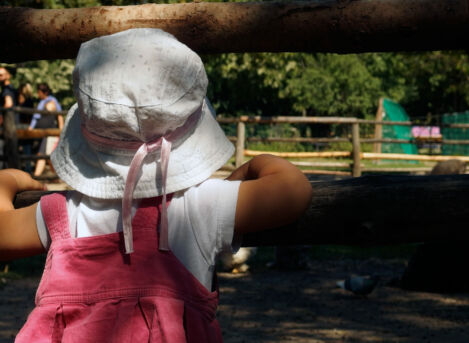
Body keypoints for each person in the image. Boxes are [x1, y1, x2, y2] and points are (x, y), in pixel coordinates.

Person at [0, 28, 312, 342]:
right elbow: (294, 191)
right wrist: (252, 166)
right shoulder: (200, 206)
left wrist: (9, 179)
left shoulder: (62, 212)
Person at [29, 83, 63, 176]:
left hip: (49, 132)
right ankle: (56, 176)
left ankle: (37, 176)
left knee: (44, 155)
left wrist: (60, 131)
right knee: (46, 156)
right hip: (43, 133)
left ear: (44, 92)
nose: (38, 94)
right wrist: (31, 128)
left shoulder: (52, 101)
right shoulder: (41, 102)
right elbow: (36, 118)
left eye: (39, 92)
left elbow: (59, 115)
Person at [0, 67, 17, 169]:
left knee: (11, 150)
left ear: (8, 76)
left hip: (9, 123)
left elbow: (8, 103)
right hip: (10, 123)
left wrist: (1, 114)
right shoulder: (8, 88)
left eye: (1, 75)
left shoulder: (7, 89)